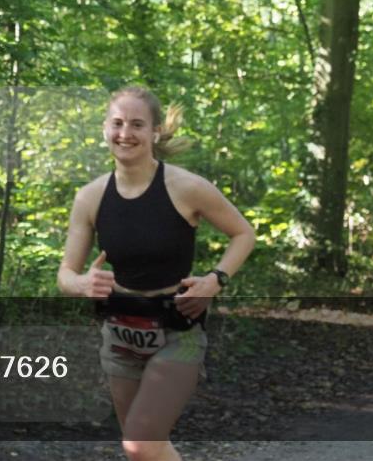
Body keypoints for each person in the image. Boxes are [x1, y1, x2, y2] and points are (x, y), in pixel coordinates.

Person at [58, 86, 255, 461]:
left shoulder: (186, 187)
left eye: (136, 124)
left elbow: (244, 233)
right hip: (120, 333)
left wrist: (215, 280)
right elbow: (65, 274)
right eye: (117, 123)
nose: (125, 134)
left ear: (155, 132)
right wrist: (82, 283)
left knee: (140, 443)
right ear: (104, 129)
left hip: (177, 330)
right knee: (143, 449)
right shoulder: (91, 197)